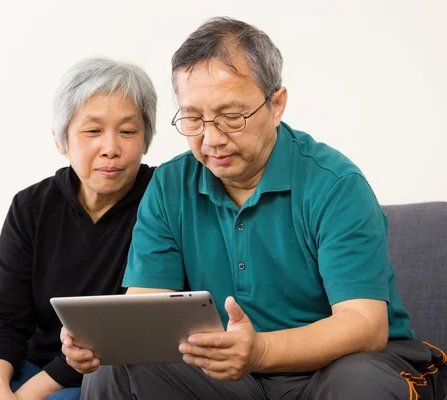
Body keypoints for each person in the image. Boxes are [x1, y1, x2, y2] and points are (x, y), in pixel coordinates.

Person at [62, 17, 447, 399]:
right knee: (114, 371)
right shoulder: (169, 186)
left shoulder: (335, 184)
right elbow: (145, 310)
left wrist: (259, 351)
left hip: (337, 370)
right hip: (234, 379)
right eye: (194, 119)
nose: (211, 139)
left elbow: (365, 324)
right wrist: (107, 339)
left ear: (276, 104)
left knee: (357, 381)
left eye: (232, 117)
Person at [0, 57, 157, 400]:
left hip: (106, 375)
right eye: (92, 131)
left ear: (146, 140)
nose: (111, 149)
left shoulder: (162, 201)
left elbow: (123, 330)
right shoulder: (32, 207)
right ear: (62, 140)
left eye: (128, 131)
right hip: (31, 364)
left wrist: (28, 395)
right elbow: (3, 316)